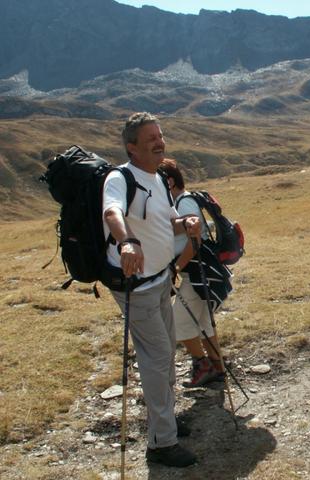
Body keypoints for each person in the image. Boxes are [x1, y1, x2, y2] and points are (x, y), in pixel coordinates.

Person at [102, 112, 201, 468]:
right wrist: (127, 241)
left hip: (161, 280)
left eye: (160, 136)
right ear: (132, 147)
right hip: (137, 286)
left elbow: (165, 222)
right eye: (151, 139)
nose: (160, 143)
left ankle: (166, 420)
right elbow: (112, 212)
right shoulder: (120, 178)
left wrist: (185, 223)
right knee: (158, 358)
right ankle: (161, 443)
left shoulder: (157, 177)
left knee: (165, 353)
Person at [158, 158, 226, 388]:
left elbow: (194, 242)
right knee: (205, 321)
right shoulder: (180, 202)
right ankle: (217, 367)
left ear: (169, 181)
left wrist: (176, 267)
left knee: (179, 322)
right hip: (199, 271)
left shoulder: (184, 204)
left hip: (196, 272)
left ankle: (203, 366)